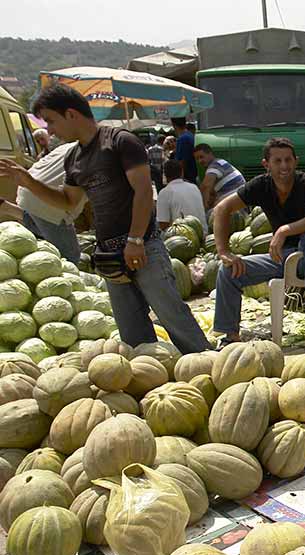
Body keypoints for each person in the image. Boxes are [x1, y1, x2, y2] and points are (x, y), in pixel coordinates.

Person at [0, 85, 210, 354]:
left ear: (71, 114)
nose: (50, 130)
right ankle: (155, 380)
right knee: (132, 332)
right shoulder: (74, 157)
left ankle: (209, 365)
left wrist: (135, 239)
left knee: (173, 318)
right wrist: (27, 181)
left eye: (51, 121)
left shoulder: (121, 141)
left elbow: (144, 191)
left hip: (142, 246)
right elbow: (67, 202)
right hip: (109, 255)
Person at [210, 137, 305, 347]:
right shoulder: (261, 185)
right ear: (266, 164)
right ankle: (230, 336)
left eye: (288, 160)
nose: (284, 166)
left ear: (296, 161)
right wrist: (224, 251)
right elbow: (222, 209)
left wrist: (285, 230)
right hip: (281, 259)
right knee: (229, 271)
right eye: (277, 161)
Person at [16, 140, 85, 262]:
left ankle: (8, 208)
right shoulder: (96, 155)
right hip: (48, 199)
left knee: (42, 224)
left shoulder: (70, 145)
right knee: (70, 256)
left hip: (27, 187)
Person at [156, 159, 208, 235]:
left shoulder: (164, 193)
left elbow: (163, 225)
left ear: (165, 175)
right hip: (203, 234)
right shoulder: (194, 187)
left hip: (184, 238)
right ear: (182, 173)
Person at [193, 143, 246, 209]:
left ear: (210, 154)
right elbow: (212, 193)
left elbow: (205, 187)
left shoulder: (215, 165)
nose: (200, 161)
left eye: (201, 157)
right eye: (197, 159)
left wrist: (203, 208)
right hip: (240, 200)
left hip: (236, 203)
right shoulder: (220, 162)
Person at [171, 118, 197, 183]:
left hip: (187, 176)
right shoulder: (190, 135)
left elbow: (181, 162)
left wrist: (178, 179)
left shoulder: (183, 138)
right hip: (193, 173)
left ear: (174, 125)